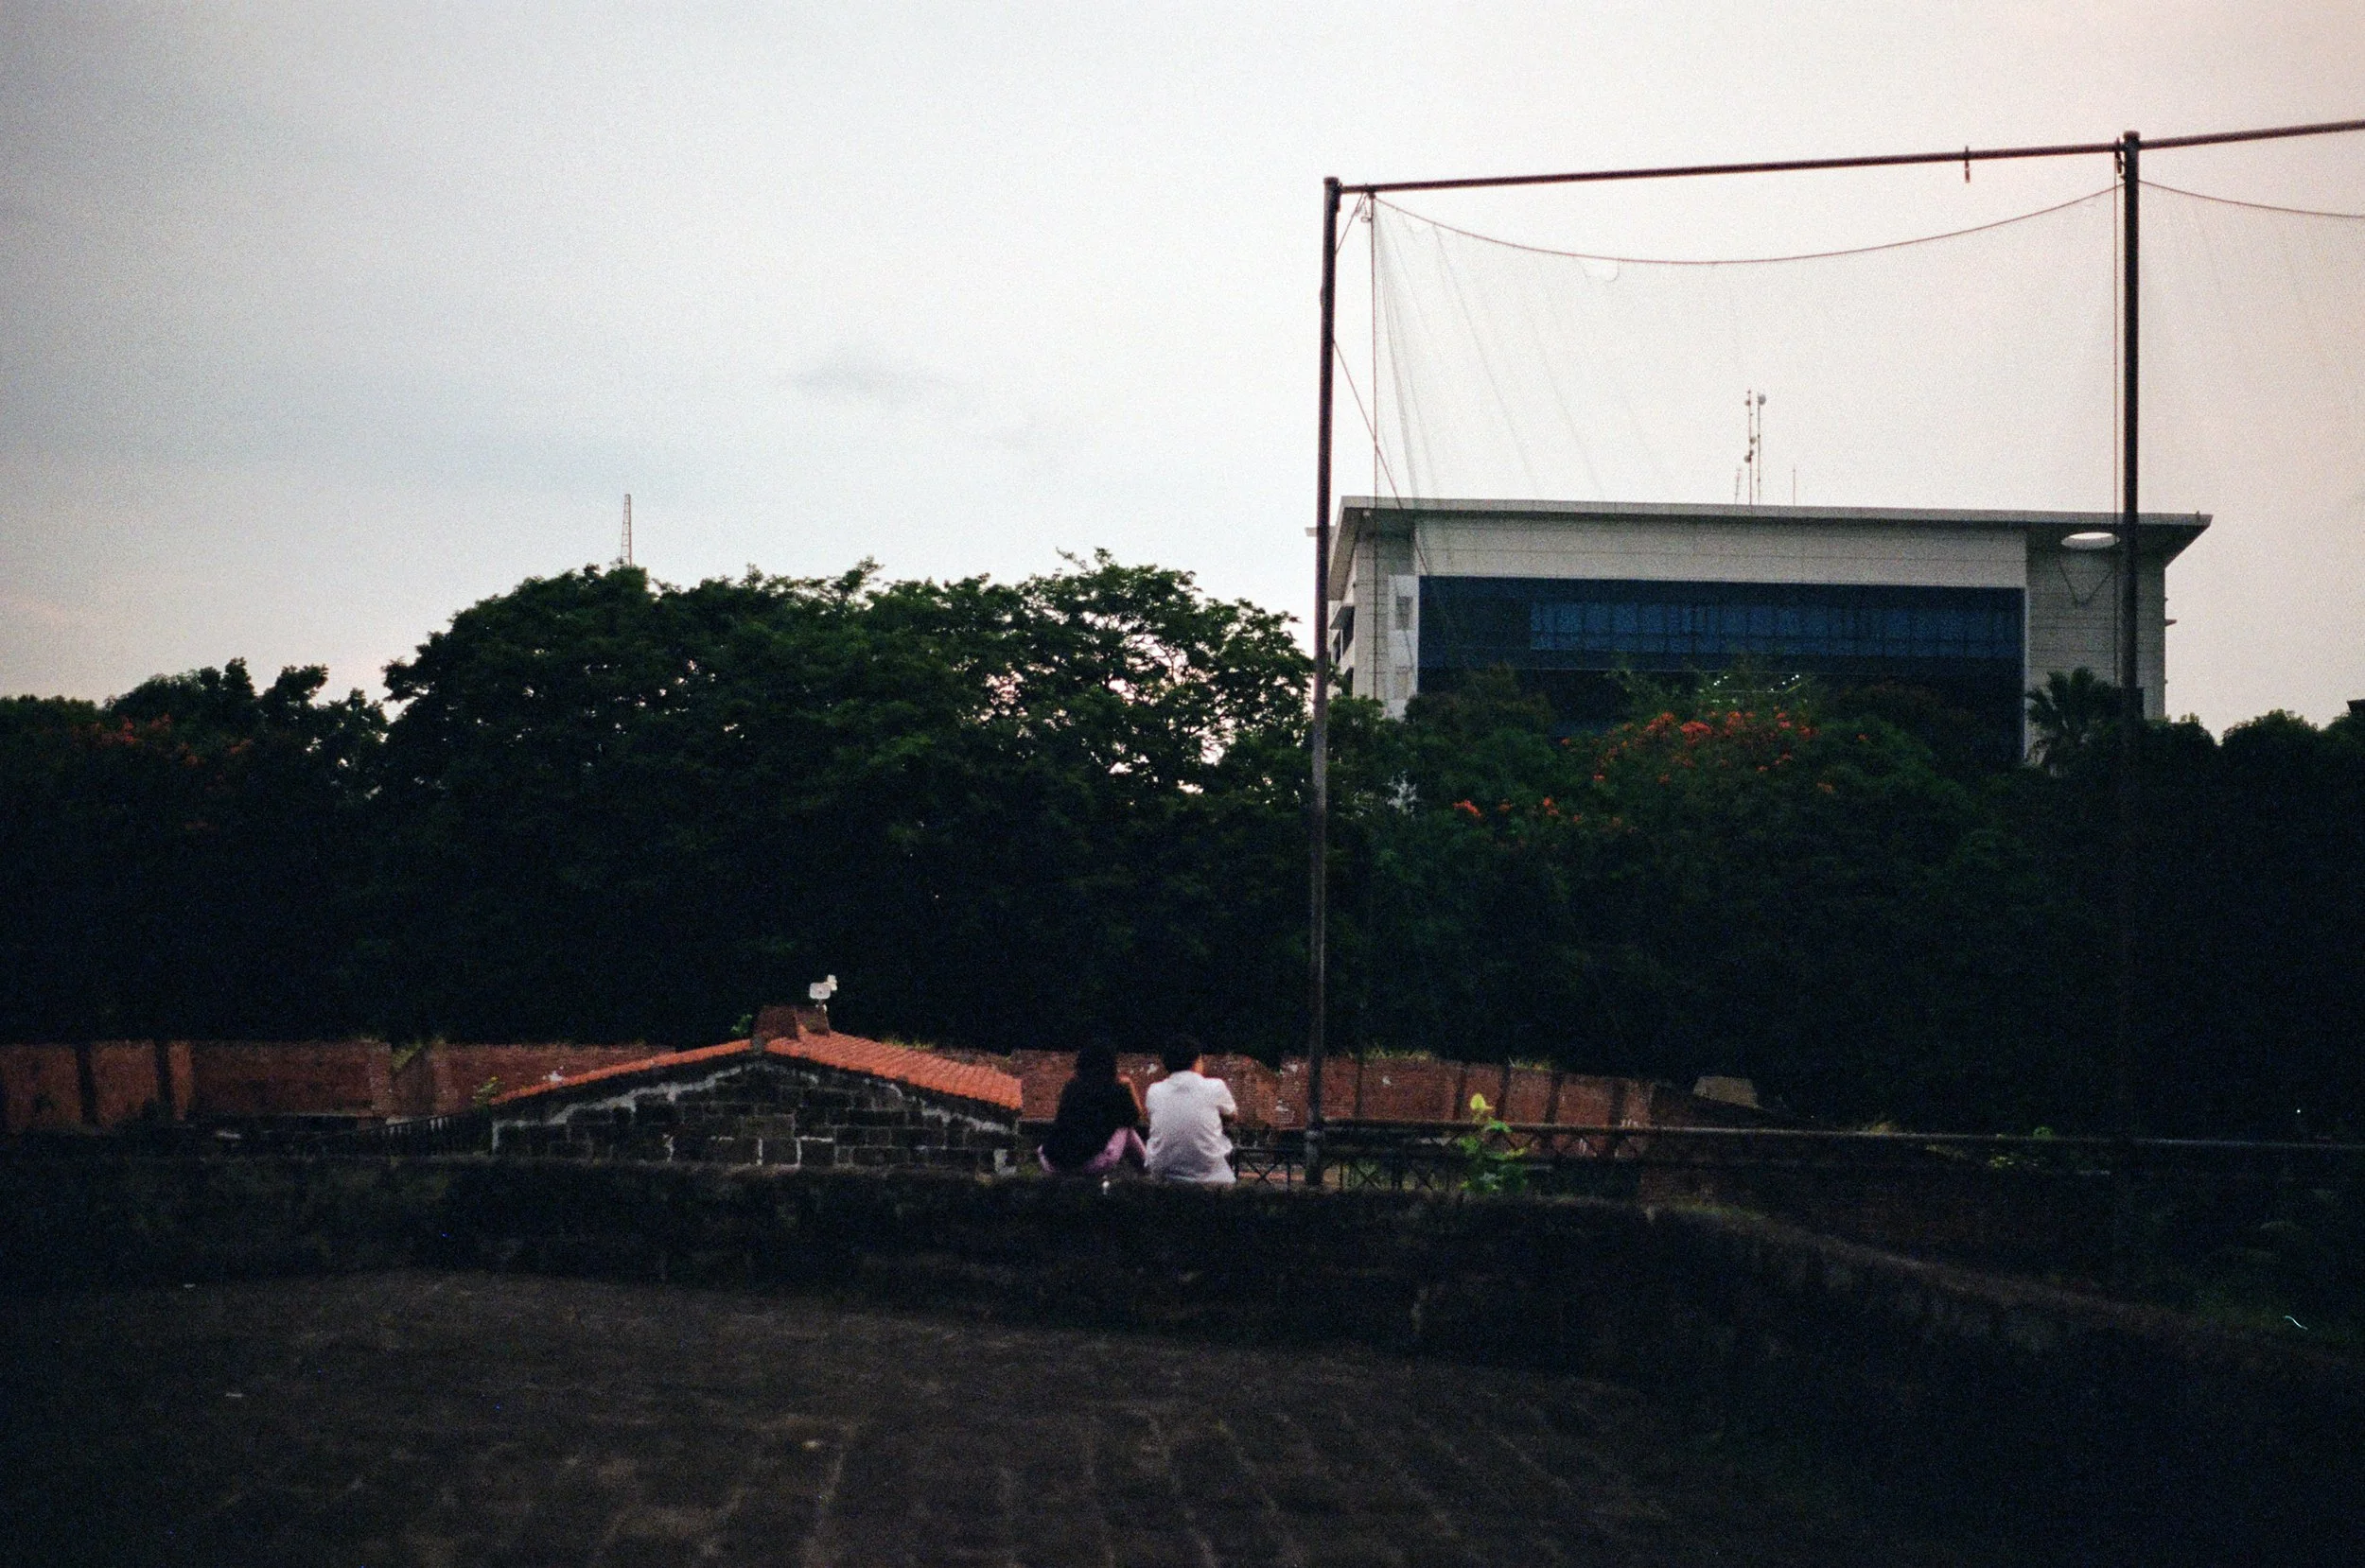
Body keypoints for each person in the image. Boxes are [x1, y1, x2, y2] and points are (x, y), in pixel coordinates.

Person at [1039, 1042, 1147, 1176]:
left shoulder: (1071, 1087)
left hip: (1051, 1162)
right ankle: (1148, 1168)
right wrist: (1129, 1086)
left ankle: (1148, 1167)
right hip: (1090, 1165)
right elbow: (1135, 1117)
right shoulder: (1117, 1089)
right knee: (1126, 1128)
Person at [1144, 1034, 1237, 1185]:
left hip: (1164, 1174)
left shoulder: (1154, 1091)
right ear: (1197, 1061)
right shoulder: (1215, 1087)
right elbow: (1232, 1115)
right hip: (1208, 1177)